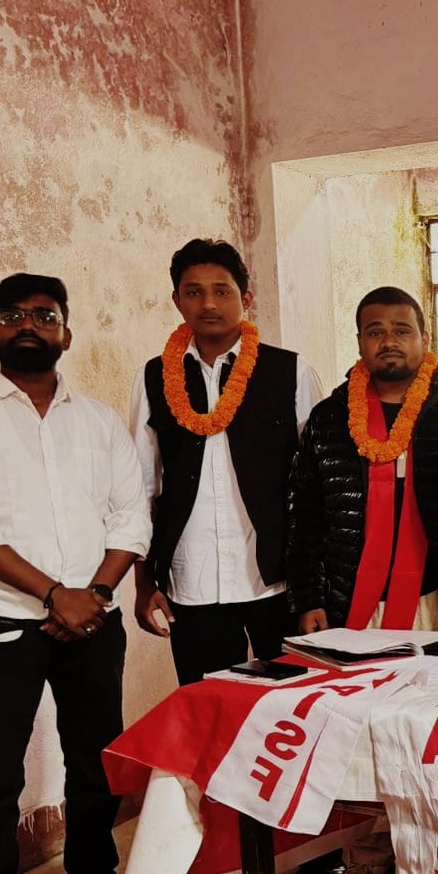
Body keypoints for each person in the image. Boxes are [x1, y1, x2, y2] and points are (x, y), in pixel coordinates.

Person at [288, 287, 438, 874]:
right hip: (353, 604)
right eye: (375, 330)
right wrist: (309, 596)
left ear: (425, 338)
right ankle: (367, 859)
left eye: (402, 329)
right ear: (360, 342)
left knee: (435, 730)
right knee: (361, 730)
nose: (389, 341)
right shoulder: (328, 419)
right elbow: (305, 516)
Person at [0, 274, 151, 874]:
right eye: (12, 314)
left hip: (94, 619)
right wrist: (55, 595)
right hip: (3, 619)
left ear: (66, 332)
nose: (29, 325)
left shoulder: (98, 421)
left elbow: (130, 515)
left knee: (96, 762)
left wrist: (95, 594)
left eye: (45, 315)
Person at [128, 239, 323, 684]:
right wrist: (144, 582)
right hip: (191, 583)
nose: (208, 304)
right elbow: (142, 486)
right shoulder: (153, 378)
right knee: (210, 709)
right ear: (176, 300)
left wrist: (314, 589)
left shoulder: (290, 371)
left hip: (277, 580)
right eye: (193, 292)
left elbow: (314, 486)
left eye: (222, 290)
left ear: (246, 298)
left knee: (293, 703)